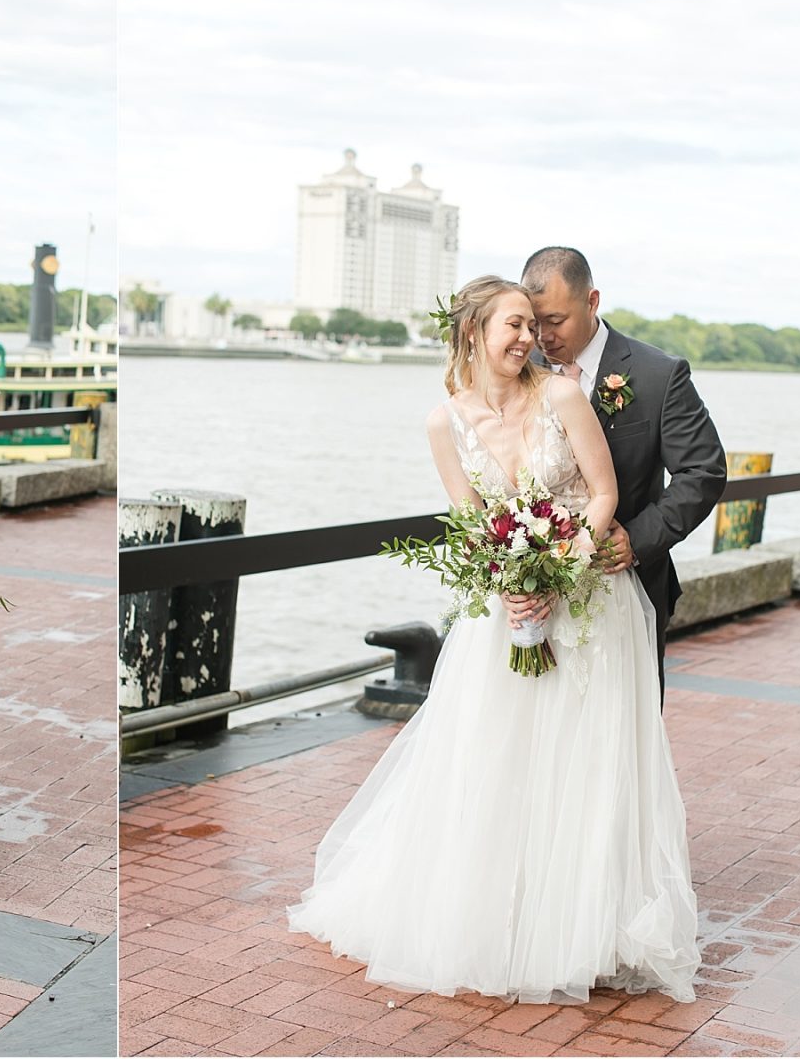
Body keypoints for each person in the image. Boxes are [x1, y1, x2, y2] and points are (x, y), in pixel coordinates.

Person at [288, 275, 699, 1004]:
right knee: (495, 757)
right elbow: (471, 519)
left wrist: (561, 572)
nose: (527, 339)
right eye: (512, 325)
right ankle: (498, 919)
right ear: (474, 332)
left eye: (531, 325)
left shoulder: (563, 397)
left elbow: (602, 494)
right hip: (504, 612)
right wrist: (506, 578)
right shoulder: (442, 423)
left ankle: (584, 927)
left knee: (585, 759)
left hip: (591, 606)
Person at [520, 246, 726, 703]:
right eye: (534, 323)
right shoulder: (518, 371)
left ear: (592, 302)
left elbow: (704, 471)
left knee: (624, 731)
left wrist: (637, 538)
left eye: (555, 320)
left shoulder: (659, 375)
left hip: (629, 586)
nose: (543, 337)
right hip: (537, 596)